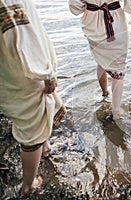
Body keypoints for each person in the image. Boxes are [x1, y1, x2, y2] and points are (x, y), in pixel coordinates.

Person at [0, 0, 66, 195]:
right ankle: (29, 186)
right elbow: (21, 36)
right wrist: (48, 75)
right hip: (22, 72)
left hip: (7, 69)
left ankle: (45, 148)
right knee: (31, 129)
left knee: (38, 113)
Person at [69, 0, 129, 120]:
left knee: (101, 59)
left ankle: (105, 93)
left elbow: (74, 6)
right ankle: (116, 113)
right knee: (118, 67)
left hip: (92, 21)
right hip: (115, 19)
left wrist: (88, 6)